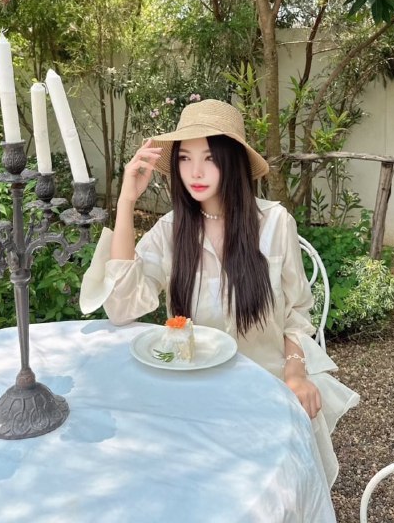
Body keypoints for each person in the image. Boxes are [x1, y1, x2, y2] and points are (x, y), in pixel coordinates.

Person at [80, 99, 359, 487]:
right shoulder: (171, 230)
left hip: (266, 388)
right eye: (185, 159)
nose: (195, 172)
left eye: (209, 158)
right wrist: (126, 202)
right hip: (194, 395)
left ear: (232, 161)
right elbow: (122, 307)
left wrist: (295, 373)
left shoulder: (275, 224)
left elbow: (295, 315)